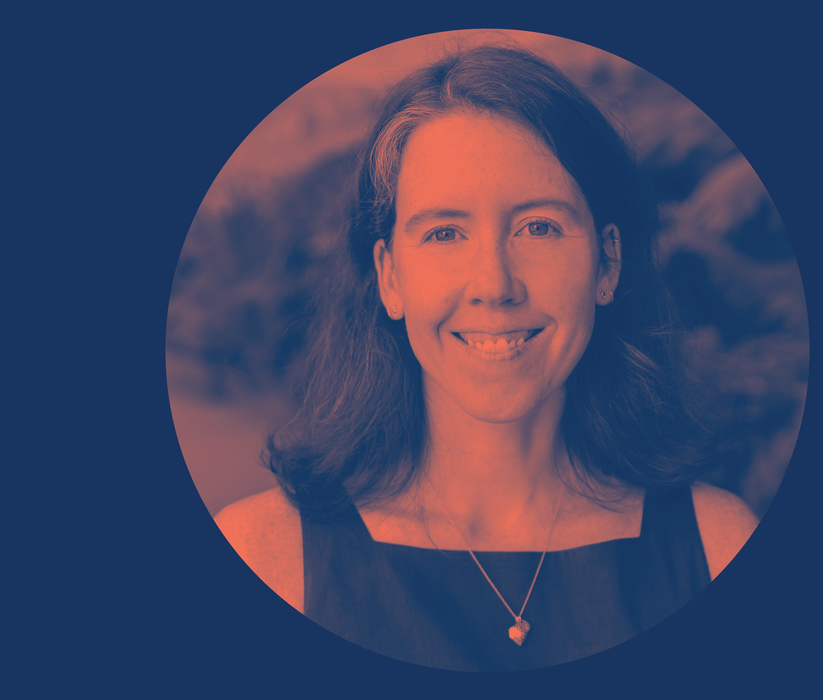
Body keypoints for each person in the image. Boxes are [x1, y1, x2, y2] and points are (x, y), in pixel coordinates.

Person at [214, 43, 759, 672]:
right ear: (390, 276)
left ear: (608, 262)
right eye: (445, 233)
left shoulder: (718, 551)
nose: (494, 284)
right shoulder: (264, 559)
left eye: (539, 227)